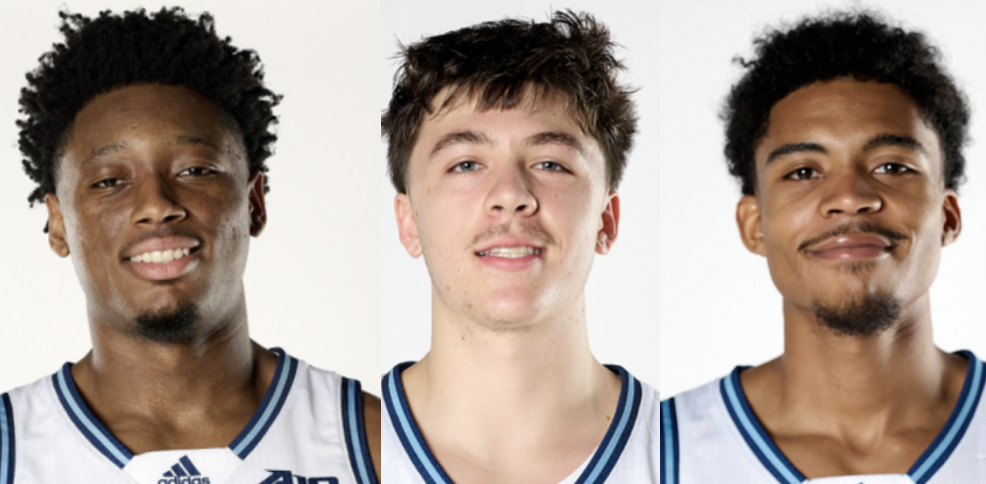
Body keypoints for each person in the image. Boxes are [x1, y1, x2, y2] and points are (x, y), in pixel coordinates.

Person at [0, 8, 379, 483]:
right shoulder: (11, 449)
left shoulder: (370, 444)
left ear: (254, 203)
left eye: (195, 170)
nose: (157, 205)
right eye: (110, 180)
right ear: (58, 224)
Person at [660, 11, 982, 483]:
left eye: (892, 167)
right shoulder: (660, 454)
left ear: (948, 217)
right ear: (755, 226)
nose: (849, 197)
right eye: (803, 172)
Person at [380, 10, 658, 483]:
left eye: (550, 163)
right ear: (409, 223)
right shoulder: (342, 450)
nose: (510, 195)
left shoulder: (686, 454)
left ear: (606, 221)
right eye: (466, 164)